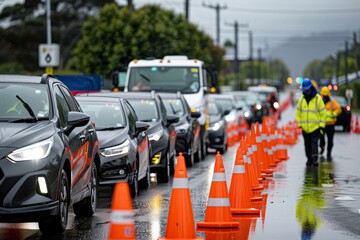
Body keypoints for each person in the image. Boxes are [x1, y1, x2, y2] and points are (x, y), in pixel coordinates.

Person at [296, 78, 327, 167]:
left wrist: (321, 125)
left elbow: (323, 113)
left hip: (315, 127)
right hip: (305, 128)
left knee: (314, 145)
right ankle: (309, 159)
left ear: (310, 88)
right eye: (304, 89)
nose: (305, 91)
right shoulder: (301, 99)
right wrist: (299, 123)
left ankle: (315, 160)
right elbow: (298, 113)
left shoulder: (318, 99)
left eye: (306, 89)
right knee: (307, 145)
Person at [319, 86, 342, 159]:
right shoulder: (319, 102)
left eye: (325, 95)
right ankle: (322, 147)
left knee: (330, 140)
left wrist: (334, 114)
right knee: (321, 139)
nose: (324, 96)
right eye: (323, 95)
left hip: (330, 124)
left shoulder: (332, 102)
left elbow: (338, 109)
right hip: (322, 125)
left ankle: (329, 152)